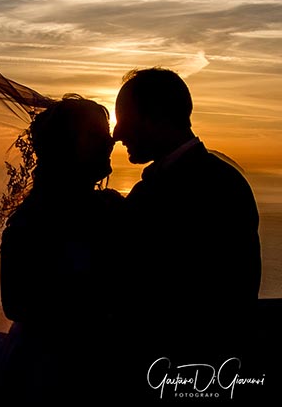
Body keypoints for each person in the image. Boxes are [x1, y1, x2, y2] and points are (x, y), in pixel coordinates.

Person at [112, 68, 261, 390]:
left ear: (154, 117)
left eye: (124, 118)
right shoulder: (225, 178)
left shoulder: (180, 190)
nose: (116, 133)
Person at [0, 94, 124, 405]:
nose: (110, 143)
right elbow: (15, 304)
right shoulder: (32, 222)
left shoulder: (112, 208)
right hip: (47, 374)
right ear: (65, 148)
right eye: (95, 135)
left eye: (106, 134)